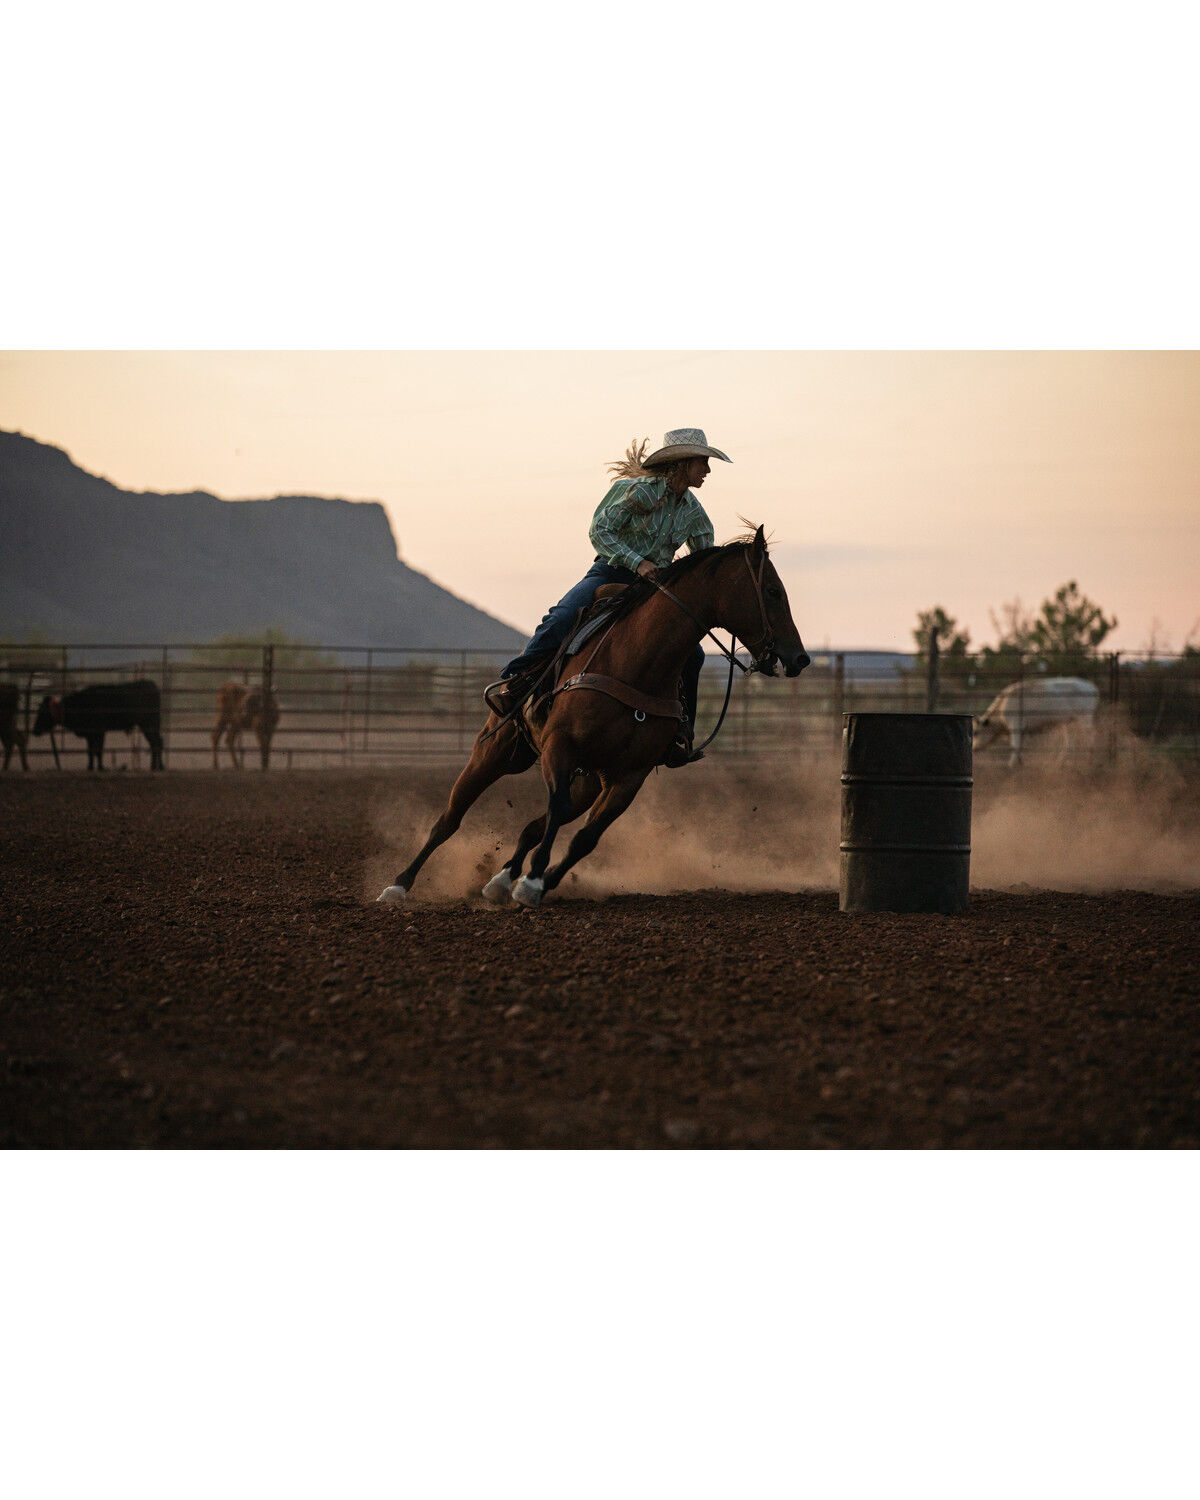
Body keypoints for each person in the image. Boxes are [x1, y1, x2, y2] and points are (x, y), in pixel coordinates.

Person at [487, 427, 731, 764]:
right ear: (682, 463)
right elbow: (600, 531)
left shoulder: (694, 513)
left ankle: (679, 729)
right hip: (611, 572)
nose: (707, 469)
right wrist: (638, 562)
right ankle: (516, 684)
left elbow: (703, 563)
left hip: (652, 589)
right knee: (562, 616)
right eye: (702, 462)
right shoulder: (638, 491)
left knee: (693, 655)